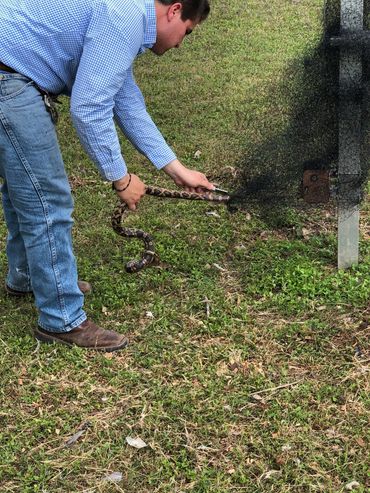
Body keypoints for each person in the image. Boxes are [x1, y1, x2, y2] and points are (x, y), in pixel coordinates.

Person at [0, 0, 214, 351]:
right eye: (186, 33)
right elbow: (88, 108)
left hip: (9, 73)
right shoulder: (125, 17)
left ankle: (29, 279)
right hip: (10, 81)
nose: (180, 43)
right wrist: (121, 178)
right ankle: (61, 318)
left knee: (23, 188)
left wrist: (177, 169)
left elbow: (125, 101)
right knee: (47, 200)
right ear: (174, 10)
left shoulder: (124, 15)